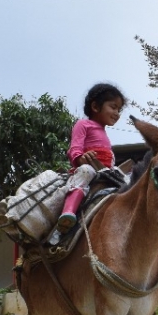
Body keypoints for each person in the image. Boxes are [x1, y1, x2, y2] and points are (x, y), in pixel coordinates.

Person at [56, 83, 125, 232]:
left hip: (104, 170)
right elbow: (74, 147)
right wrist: (81, 158)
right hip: (88, 168)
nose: (117, 113)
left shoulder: (104, 132)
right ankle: (68, 211)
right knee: (86, 171)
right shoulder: (83, 125)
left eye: (119, 109)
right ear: (95, 107)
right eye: (113, 107)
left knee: (126, 179)